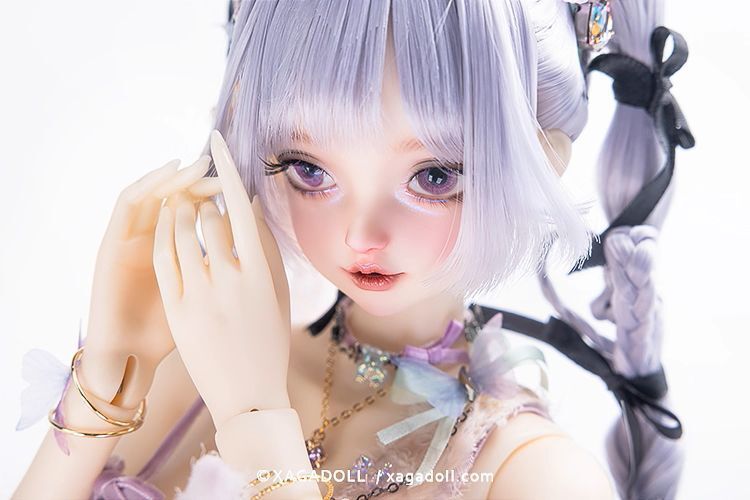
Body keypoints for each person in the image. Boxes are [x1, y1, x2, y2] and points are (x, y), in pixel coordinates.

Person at [13, 0, 691, 498]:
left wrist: (256, 421)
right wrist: (104, 381)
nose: (361, 236)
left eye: (434, 177)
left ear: (542, 161)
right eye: (310, 170)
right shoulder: (199, 365)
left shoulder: (531, 477)